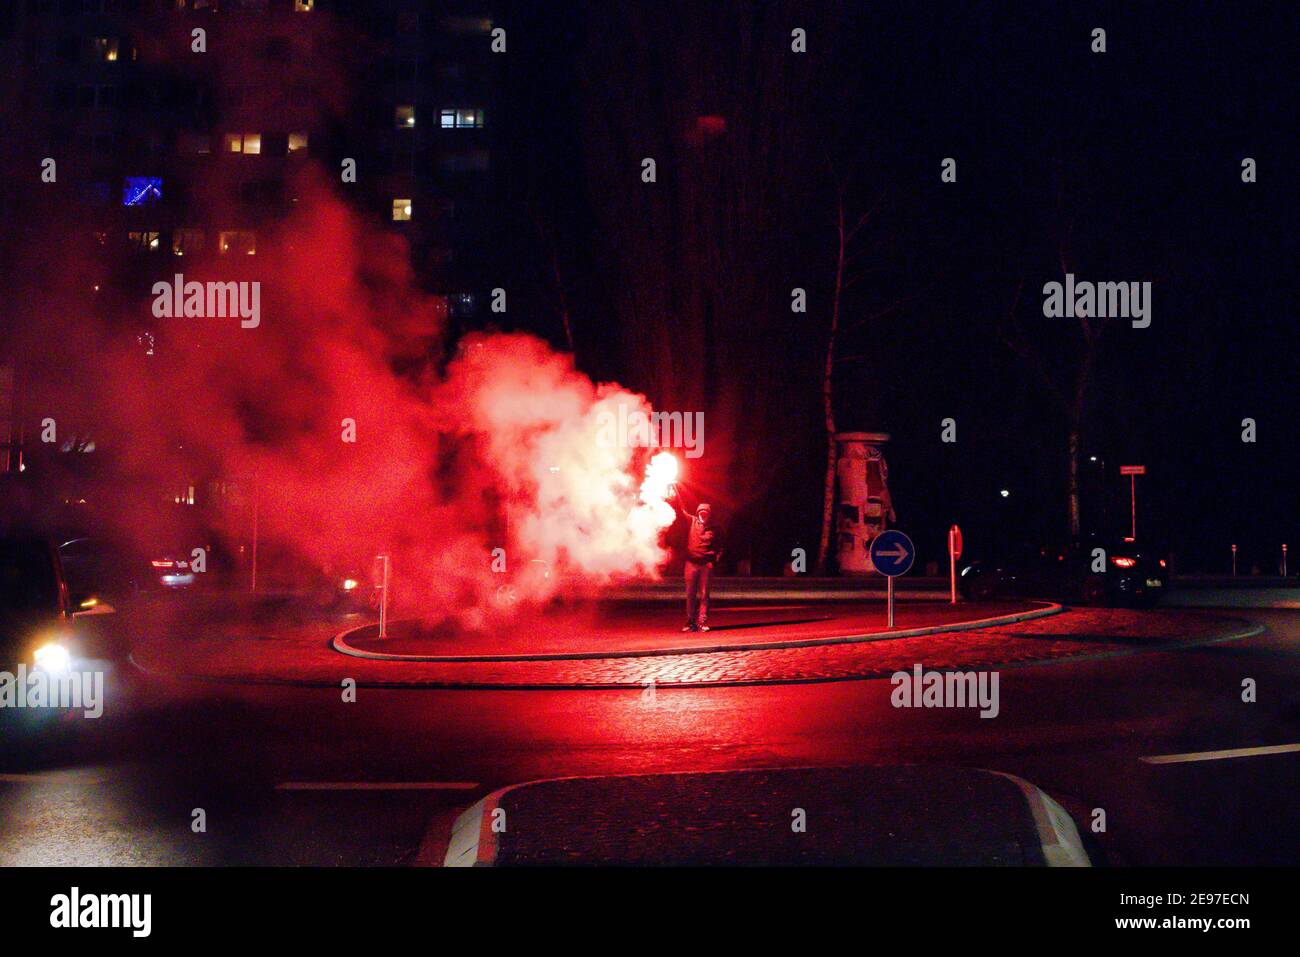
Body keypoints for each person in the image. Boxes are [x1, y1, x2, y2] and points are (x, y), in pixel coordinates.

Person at [675, 495, 722, 632]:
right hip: (691, 564)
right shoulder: (691, 521)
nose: (703, 515)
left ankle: (702, 622)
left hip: (706, 565)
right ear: (697, 513)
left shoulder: (716, 528)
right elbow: (680, 510)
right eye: (701, 512)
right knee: (690, 594)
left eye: (705, 513)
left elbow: (721, 546)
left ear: (709, 514)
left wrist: (714, 560)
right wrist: (675, 496)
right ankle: (690, 622)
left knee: (704, 594)